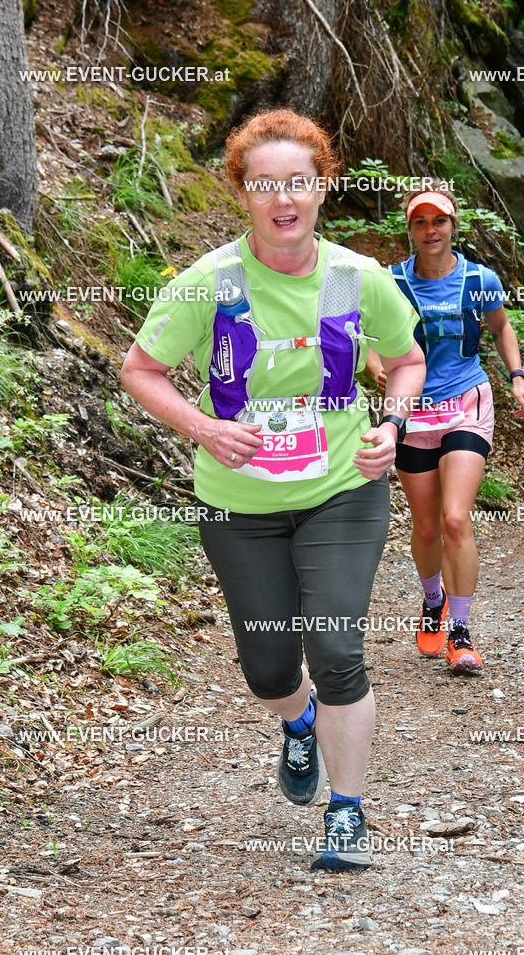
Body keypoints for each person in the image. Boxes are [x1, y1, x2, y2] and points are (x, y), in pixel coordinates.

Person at [120, 108, 425, 871]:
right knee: (267, 670)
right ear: (243, 194)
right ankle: (297, 725)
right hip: (238, 501)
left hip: (340, 488)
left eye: (298, 183)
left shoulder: (359, 277)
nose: (283, 199)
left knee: (335, 649)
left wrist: (391, 423)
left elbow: (408, 357)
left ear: (322, 189)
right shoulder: (208, 283)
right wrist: (202, 427)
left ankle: (347, 816)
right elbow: (139, 370)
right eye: (265, 186)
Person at [366, 184, 524, 670]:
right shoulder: (392, 280)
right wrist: (377, 364)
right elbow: (370, 332)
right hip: (412, 410)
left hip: (466, 400)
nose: (430, 230)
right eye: (420, 222)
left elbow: (502, 327)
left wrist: (517, 377)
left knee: (455, 518)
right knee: (424, 527)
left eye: (438, 221)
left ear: (453, 225)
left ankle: (461, 633)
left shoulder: (478, 279)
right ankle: (432, 601)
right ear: (410, 230)